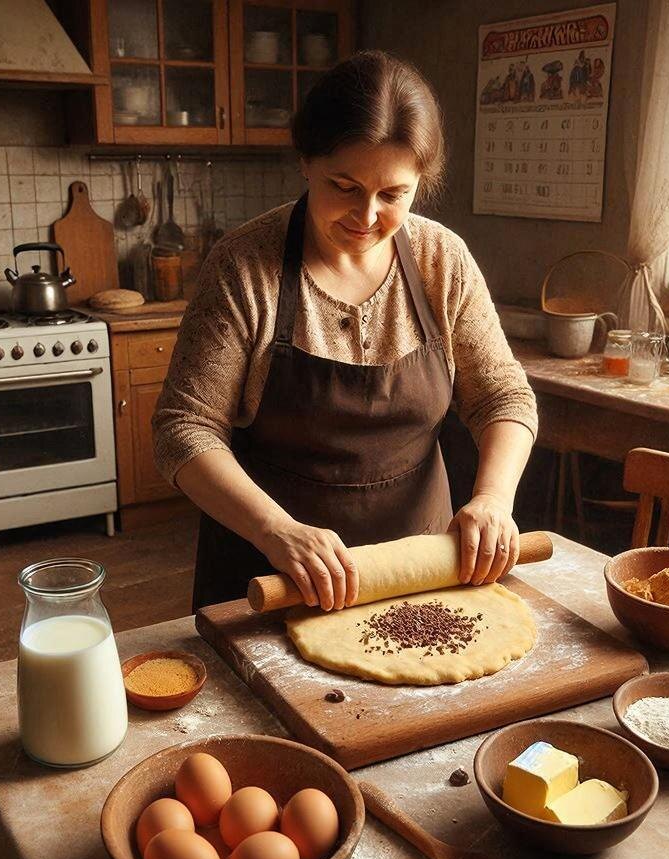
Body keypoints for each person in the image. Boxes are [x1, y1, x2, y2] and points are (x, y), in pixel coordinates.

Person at [153, 51, 538, 612]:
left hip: (416, 575)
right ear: (306, 163)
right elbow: (183, 428)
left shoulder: (442, 260)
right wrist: (276, 530)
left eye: (393, 194)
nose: (367, 215)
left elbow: (503, 395)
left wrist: (495, 499)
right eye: (344, 186)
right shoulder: (244, 266)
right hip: (272, 578)